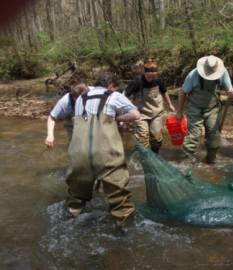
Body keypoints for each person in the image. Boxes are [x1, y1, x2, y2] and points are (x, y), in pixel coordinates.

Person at [65, 72, 140, 228]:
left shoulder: (80, 98)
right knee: (120, 202)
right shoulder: (114, 96)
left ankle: (71, 223)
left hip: (79, 156)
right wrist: (118, 119)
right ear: (111, 85)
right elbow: (135, 114)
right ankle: (124, 231)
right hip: (106, 156)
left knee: (76, 199)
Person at [176, 55, 233, 164]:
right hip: (194, 107)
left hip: (212, 108)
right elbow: (183, 92)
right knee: (193, 137)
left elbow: (229, 89)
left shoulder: (223, 72)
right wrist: (179, 112)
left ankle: (210, 162)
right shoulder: (193, 75)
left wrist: (231, 92)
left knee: (214, 138)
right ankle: (185, 164)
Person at [125, 58, 175, 153]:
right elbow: (124, 95)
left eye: (153, 77)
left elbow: (164, 92)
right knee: (143, 138)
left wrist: (170, 105)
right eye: (149, 77)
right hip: (140, 114)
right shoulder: (137, 82)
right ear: (144, 73)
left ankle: (154, 155)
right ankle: (142, 158)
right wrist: (124, 110)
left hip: (156, 113)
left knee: (156, 139)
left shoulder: (158, 81)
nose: (151, 79)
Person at [45, 83, 88, 148]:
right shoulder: (64, 102)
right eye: (82, 99)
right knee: (75, 145)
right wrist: (50, 135)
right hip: (70, 118)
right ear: (75, 97)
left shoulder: (92, 92)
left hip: (85, 115)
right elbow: (52, 118)